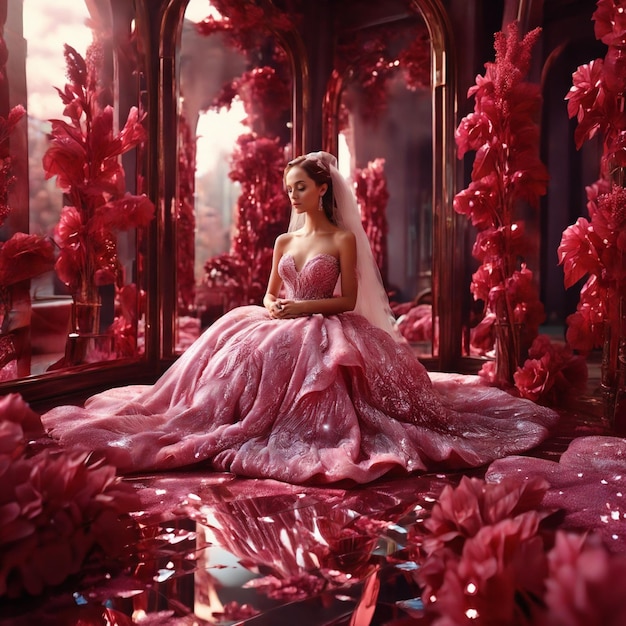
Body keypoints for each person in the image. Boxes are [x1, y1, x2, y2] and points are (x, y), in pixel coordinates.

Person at [41, 152, 557, 485]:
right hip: (280, 317)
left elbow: (345, 299)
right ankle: (215, 413)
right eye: (289, 187)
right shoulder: (285, 240)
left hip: (324, 322)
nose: (293, 195)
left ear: (322, 190)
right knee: (237, 344)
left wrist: (298, 309)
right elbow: (268, 293)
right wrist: (273, 309)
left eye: (301, 187)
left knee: (300, 355)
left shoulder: (341, 239)